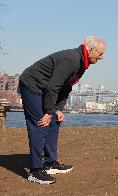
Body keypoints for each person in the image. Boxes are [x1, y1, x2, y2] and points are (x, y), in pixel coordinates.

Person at [19, 35, 106, 184]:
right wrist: (48, 112)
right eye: (101, 53)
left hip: (45, 89)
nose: (102, 57)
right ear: (91, 50)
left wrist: (57, 109)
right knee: (41, 123)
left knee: (54, 121)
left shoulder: (82, 63)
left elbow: (66, 87)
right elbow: (54, 86)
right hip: (31, 85)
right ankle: (35, 171)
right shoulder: (71, 60)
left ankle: (50, 163)